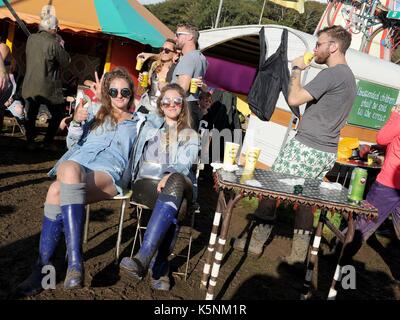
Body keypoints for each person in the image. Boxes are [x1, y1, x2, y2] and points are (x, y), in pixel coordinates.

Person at [234, 25, 357, 265]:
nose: (316, 49)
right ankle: (299, 256)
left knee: (271, 189)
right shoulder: (350, 78)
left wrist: (297, 69)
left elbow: (294, 98)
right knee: (305, 202)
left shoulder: (332, 74)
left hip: (307, 147)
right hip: (326, 150)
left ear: (333, 47)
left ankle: (254, 242)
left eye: (319, 44)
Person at [16, 67, 137, 296]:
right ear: (106, 92)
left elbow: (167, 116)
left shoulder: (140, 122)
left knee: (65, 174)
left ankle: (66, 264)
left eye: (125, 91)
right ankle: (56, 268)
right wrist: (77, 123)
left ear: (132, 94)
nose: (119, 95)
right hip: (79, 165)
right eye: (113, 91)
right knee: (56, 188)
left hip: (109, 173)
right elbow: (72, 145)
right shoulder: (94, 113)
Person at [119, 83, 199, 291]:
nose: (171, 104)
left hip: (179, 183)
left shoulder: (190, 134)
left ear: (183, 105)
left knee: (177, 183)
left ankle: (142, 258)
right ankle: (160, 265)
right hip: (145, 186)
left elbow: (184, 163)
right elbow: (124, 111)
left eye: (177, 101)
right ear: (160, 105)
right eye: (166, 101)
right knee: (178, 206)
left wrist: (170, 174)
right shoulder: (148, 126)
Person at [335, 104, 400, 264]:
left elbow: (382, 138)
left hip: (390, 183)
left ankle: (339, 255)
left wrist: (394, 116)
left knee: (365, 219)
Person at [22, 14, 71, 151]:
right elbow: (66, 61)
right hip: (49, 87)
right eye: (58, 28)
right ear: (53, 28)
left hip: (30, 83)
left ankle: (30, 142)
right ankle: (47, 142)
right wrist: (61, 45)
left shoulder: (31, 39)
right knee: (58, 115)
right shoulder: (54, 43)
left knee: (31, 114)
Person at [172, 23, 208, 131]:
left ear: (190, 37)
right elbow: (203, 86)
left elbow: (183, 88)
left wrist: (163, 85)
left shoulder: (189, 58)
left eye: (178, 35)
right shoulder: (201, 58)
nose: (175, 38)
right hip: (193, 109)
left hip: (182, 108)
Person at [137, 39, 178, 113]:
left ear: (175, 54)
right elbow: (148, 86)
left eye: (167, 50)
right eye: (162, 49)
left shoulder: (176, 70)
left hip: (163, 109)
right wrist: (143, 80)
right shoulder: (155, 65)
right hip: (148, 105)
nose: (163, 52)